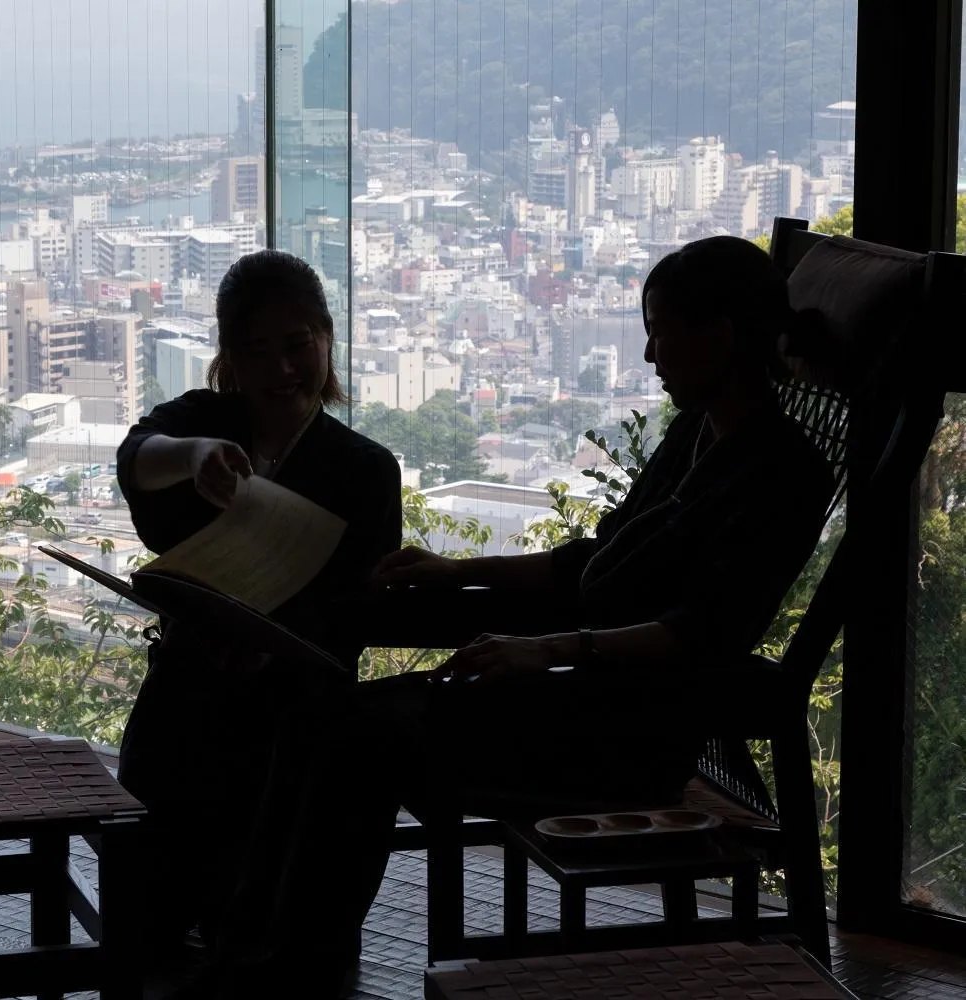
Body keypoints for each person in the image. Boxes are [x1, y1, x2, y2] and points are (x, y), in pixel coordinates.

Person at [196, 235, 839, 997]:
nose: (648, 355)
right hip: (578, 694)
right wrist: (458, 572)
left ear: (721, 336)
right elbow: (597, 560)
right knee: (320, 716)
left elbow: (705, 634)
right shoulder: (700, 434)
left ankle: (288, 967)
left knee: (358, 738)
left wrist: (549, 650)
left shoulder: (782, 472)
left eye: (660, 331)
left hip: (625, 727)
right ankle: (256, 949)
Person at [113, 250, 402, 970]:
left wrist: (275, 643)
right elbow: (136, 455)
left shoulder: (365, 469)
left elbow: (354, 609)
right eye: (257, 350)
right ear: (230, 357)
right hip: (191, 684)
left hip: (297, 702)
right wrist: (198, 453)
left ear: (327, 340)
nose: (281, 371)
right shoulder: (210, 425)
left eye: (298, 346)